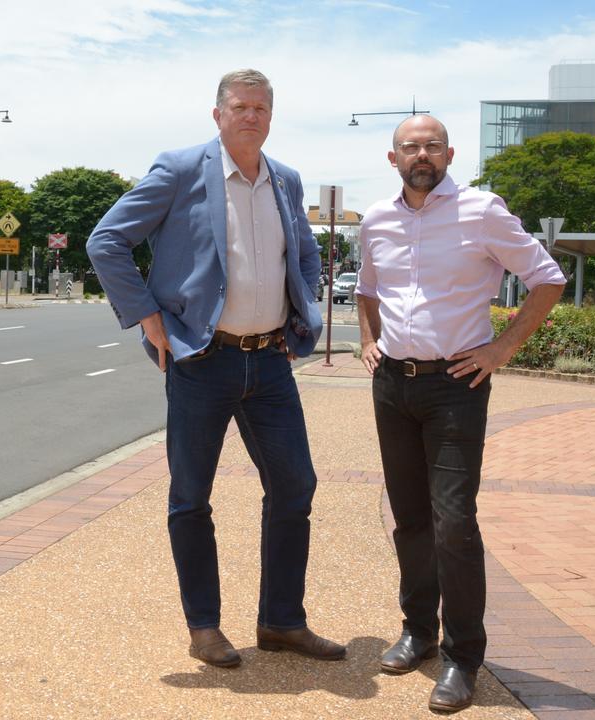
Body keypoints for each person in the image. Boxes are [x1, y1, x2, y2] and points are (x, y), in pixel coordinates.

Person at [87, 69, 342, 669]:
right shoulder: (179, 171)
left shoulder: (286, 179)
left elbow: (304, 253)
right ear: (217, 114)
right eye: (240, 106)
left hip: (271, 364)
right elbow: (107, 242)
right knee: (191, 495)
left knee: (295, 486)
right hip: (202, 360)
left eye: (261, 107)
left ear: (271, 116)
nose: (251, 115)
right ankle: (204, 628)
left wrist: (303, 312)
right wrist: (150, 322)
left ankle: (282, 621)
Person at [355, 114, 566, 713]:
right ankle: (418, 631)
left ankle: (462, 657)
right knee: (410, 518)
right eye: (410, 146)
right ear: (392, 157)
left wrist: (502, 348)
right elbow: (369, 288)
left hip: (456, 385)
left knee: (454, 522)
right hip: (393, 383)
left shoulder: (483, 211)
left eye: (432, 146)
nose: (421, 154)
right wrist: (368, 338)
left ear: (448, 154)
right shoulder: (376, 218)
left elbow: (546, 279)